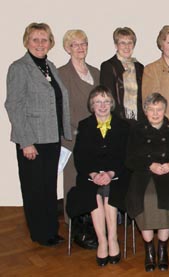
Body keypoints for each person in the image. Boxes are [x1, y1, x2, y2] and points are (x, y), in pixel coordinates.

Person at [5, 22, 71, 247]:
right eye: (35, 39)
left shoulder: (49, 66)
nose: (40, 43)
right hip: (32, 140)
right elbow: (13, 105)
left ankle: (50, 229)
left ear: (50, 43)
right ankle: (40, 233)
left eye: (44, 39)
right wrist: (26, 142)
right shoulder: (19, 67)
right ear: (27, 41)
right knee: (34, 188)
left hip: (51, 137)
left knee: (48, 186)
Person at [66, 86, 130, 266]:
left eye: (106, 101)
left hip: (116, 174)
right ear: (92, 105)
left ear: (112, 104)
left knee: (109, 191)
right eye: (98, 102)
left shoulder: (123, 126)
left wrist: (110, 173)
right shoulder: (84, 125)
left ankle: (113, 239)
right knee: (94, 193)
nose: (102, 106)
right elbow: (80, 156)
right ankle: (102, 241)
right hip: (90, 176)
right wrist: (94, 174)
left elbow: (125, 156)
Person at [125, 93, 169, 272]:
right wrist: (149, 165)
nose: (155, 113)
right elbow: (129, 159)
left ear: (165, 110)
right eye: (151, 109)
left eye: (159, 109)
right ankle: (149, 249)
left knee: (168, 198)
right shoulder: (136, 130)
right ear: (145, 111)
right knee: (145, 199)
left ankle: (163, 249)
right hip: (144, 174)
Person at [58, 29, 100, 249]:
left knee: (92, 180)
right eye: (75, 44)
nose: (80, 48)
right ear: (67, 48)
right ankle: (75, 224)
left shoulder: (96, 72)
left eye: (83, 43)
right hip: (73, 137)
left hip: (95, 136)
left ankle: (92, 222)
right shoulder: (61, 73)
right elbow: (59, 108)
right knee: (73, 182)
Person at [100, 27, 145, 124]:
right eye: (122, 43)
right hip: (118, 120)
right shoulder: (108, 66)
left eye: (130, 43)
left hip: (139, 120)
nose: (126, 46)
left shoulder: (140, 67)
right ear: (116, 45)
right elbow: (108, 98)